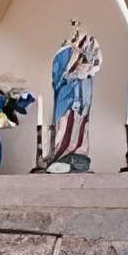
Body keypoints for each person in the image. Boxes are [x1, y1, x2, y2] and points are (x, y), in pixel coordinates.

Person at [47, 26, 103, 171]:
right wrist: (72, 72)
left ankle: (78, 153)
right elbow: (58, 77)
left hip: (82, 94)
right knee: (64, 123)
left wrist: (84, 69)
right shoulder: (64, 53)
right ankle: (61, 154)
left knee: (81, 123)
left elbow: (94, 65)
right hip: (66, 95)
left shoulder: (89, 51)